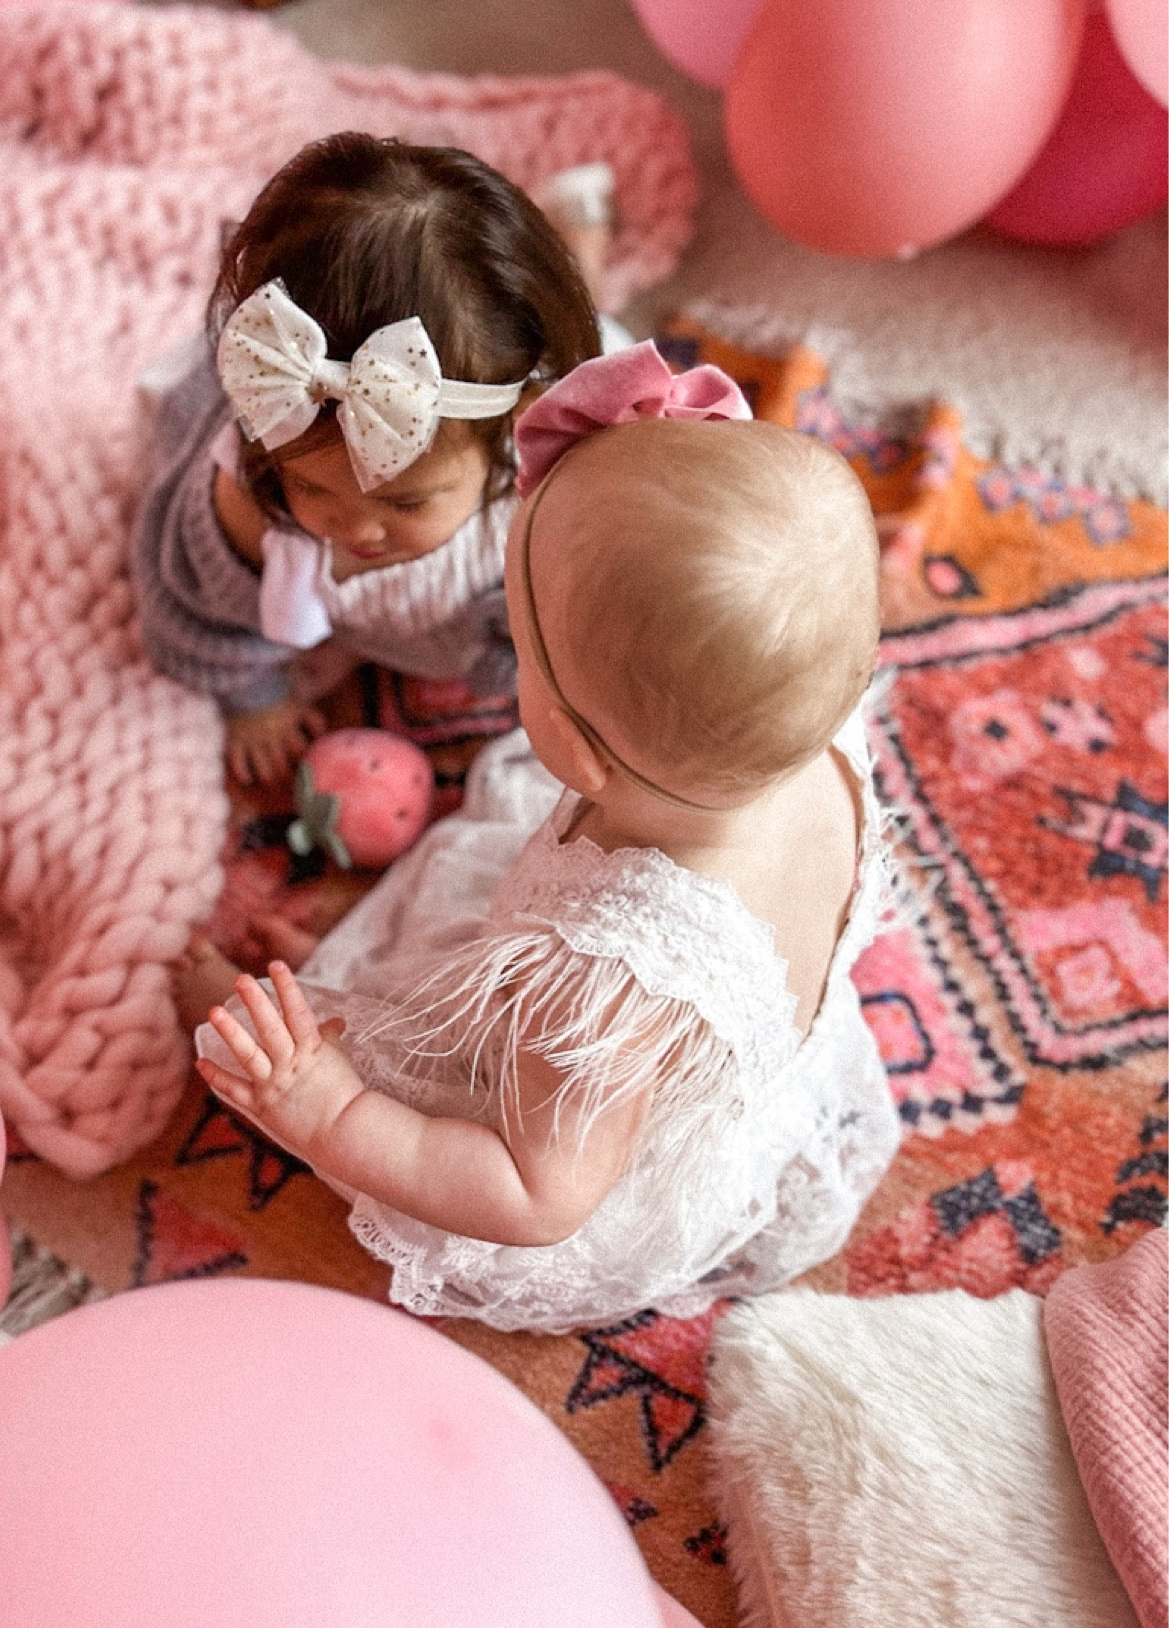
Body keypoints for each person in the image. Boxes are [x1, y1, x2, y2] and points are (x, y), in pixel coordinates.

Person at [185, 342, 903, 1334]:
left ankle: (265, 1049)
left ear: (574, 744)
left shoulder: (596, 979)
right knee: (450, 939)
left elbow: (535, 1196)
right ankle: (357, 981)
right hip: (692, 1021)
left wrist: (328, 1110)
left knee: (273, 1056)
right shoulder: (811, 731)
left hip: (571, 1144)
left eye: (522, 652)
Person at [133, 132, 607, 786]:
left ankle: (579, 244)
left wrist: (527, 660)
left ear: (520, 426)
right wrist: (253, 697)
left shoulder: (548, 487)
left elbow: (569, 611)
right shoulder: (251, 497)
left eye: (404, 501)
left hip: (516, 408)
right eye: (311, 486)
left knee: (585, 328)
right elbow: (190, 608)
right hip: (304, 386)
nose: (355, 528)